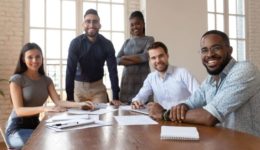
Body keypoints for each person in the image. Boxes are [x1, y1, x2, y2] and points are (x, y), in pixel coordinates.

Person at [151, 30, 260, 137]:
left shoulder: (244, 70)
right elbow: (190, 103)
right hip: (222, 142)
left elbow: (209, 116)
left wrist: (164, 114)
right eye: (204, 50)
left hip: (249, 145)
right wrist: (182, 107)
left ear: (230, 50)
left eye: (216, 48)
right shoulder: (210, 79)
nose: (210, 54)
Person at [5, 43, 94, 149]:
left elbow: (59, 102)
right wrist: (45, 108)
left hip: (36, 125)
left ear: (42, 58)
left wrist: (81, 104)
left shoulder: (46, 80)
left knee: (62, 139)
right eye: (30, 57)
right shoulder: (16, 79)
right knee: (46, 144)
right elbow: (19, 110)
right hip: (17, 129)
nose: (35, 60)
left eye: (38, 56)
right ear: (23, 59)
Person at [66, 9, 120, 105]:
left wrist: (115, 96)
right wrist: (69, 97)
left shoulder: (107, 44)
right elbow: (70, 71)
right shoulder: (75, 43)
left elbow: (113, 71)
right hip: (79, 89)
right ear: (83, 25)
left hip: (98, 89)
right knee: (78, 118)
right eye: (88, 21)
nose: (91, 25)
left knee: (101, 117)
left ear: (99, 25)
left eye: (95, 22)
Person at [131, 41, 200, 111]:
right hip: (162, 117)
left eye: (161, 56)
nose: (157, 61)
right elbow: (141, 95)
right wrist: (136, 101)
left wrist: (185, 106)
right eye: (153, 58)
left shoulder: (183, 73)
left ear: (167, 56)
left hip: (184, 116)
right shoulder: (151, 78)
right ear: (150, 60)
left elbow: (199, 95)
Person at [117, 11, 154, 104]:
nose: (135, 27)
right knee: (125, 114)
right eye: (132, 25)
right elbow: (117, 60)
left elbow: (145, 57)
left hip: (142, 82)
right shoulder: (126, 42)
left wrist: (125, 58)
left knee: (144, 111)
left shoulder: (149, 39)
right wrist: (138, 58)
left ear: (143, 24)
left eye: (137, 23)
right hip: (127, 83)